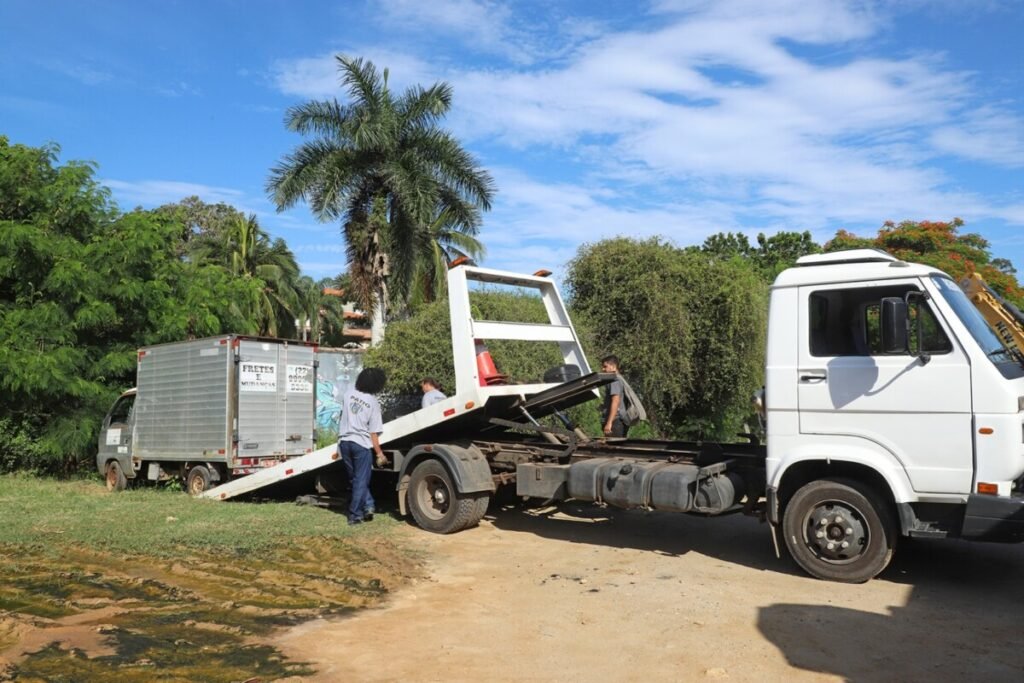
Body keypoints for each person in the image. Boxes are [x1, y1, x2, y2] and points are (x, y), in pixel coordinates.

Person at [337, 367, 387, 525]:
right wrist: (379, 454)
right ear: (377, 385)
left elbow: (342, 416)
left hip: (344, 443)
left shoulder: (348, 395)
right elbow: (373, 433)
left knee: (355, 479)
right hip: (361, 445)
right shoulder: (373, 403)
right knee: (361, 480)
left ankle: (369, 505)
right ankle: (355, 516)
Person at [600, 355, 629, 437]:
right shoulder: (619, 379)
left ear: (613, 367)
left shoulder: (614, 380)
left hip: (615, 421)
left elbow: (616, 401)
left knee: (613, 448)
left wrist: (609, 423)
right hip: (617, 421)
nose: (603, 369)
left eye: (605, 366)